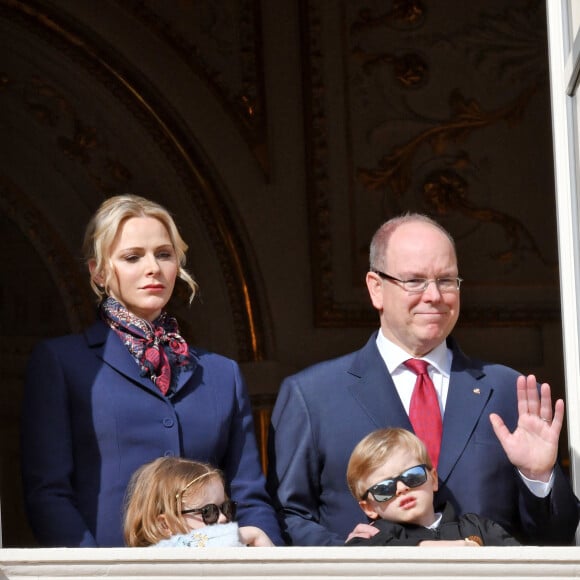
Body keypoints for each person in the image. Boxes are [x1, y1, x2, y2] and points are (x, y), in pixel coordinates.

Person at [267, 212, 579, 546]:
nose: (434, 296)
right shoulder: (313, 396)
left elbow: (555, 537)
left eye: (446, 280)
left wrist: (538, 478)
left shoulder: (505, 390)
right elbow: (287, 517)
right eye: (415, 281)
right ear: (376, 289)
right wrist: (353, 557)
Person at [21, 194, 282, 547]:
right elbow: (48, 494)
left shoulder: (222, 374)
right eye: (132, 257)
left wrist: (267, 561)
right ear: (98, 271)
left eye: (164, 254)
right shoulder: (61, 363)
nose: (153, 268)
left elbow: (249, 494)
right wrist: (94, 572)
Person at [346, 428, 519, 546]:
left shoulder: (476, 527)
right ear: (368, 507)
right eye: (384, 489)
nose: (401, 488)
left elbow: (521, 563)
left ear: (433, 479)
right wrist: (421, 547)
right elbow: (349, 557)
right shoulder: (375, 536)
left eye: (412, 476)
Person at [124, 456, 273, 547]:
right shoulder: (159, 557)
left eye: (226, 508)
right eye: (208, 512)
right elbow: (191, 545)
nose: (223, 518)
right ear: (165, 525)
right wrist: (253, 534)